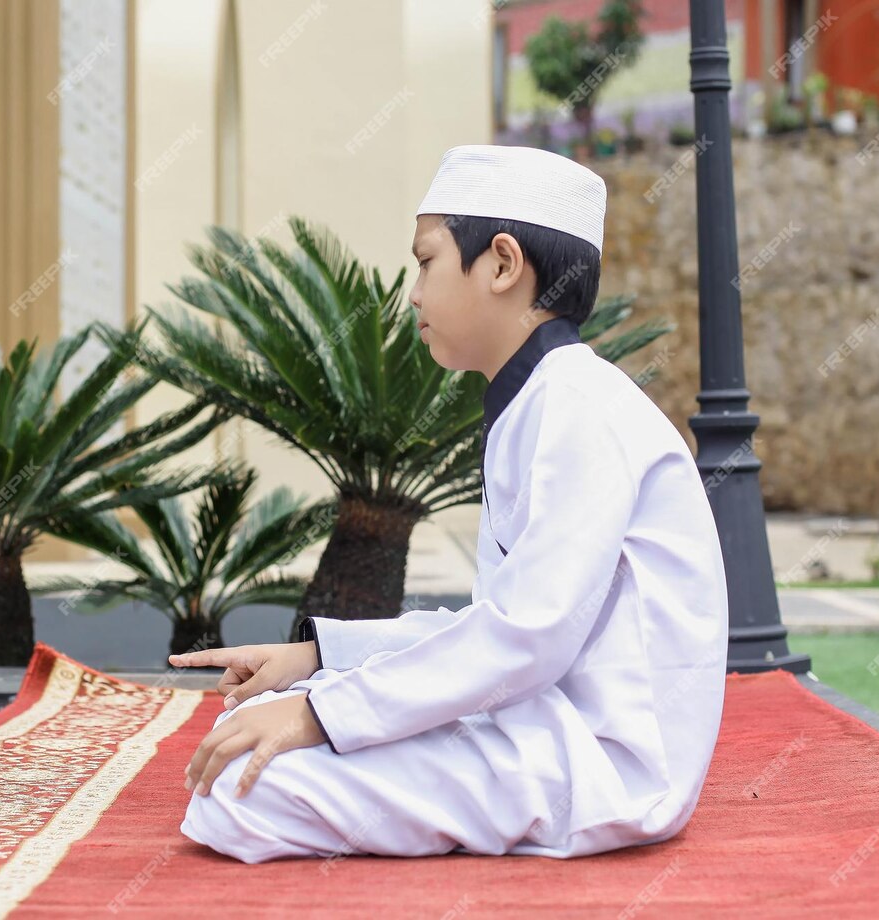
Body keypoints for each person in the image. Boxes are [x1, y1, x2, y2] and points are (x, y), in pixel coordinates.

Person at [168, 144, 730, 865]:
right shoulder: (543, 400)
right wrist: (313, 660)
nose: (412, 292)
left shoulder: (578, 408)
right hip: (543, 723)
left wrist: (319, 711)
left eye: (426, 261)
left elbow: (526, 638)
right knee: (257, 735)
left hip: (597, 767)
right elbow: (496, 627)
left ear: (500, 264)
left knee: (247, 790)